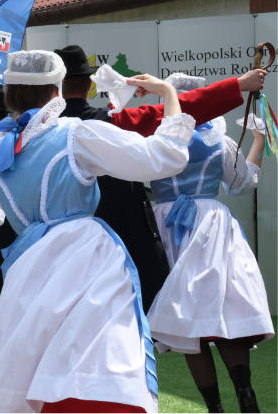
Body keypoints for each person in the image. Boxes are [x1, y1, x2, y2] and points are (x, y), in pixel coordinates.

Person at [0, 50, 193, 413]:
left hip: (28, 268)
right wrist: (169, 95)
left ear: (9, 95)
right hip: (87, 262)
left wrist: (20, 215)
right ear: (56, 91)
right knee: (98, 363)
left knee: (28, 365)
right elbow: (163, 158)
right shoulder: (76, 135)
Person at [56, 45, 269, 312]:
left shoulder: (27, 136)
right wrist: (238, 84)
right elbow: (180, 116)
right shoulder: (109, 124)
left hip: (56, 244)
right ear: (89, 84)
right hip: (122, 234)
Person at [145, 73, 272, 413]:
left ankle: (214, 407)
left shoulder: (156, 138)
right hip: (212, 224)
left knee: (189, 322)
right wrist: (259, 141)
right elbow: (242, 182)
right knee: (224, 310)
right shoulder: (220, 140)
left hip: (169, 226)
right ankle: (244, 390)